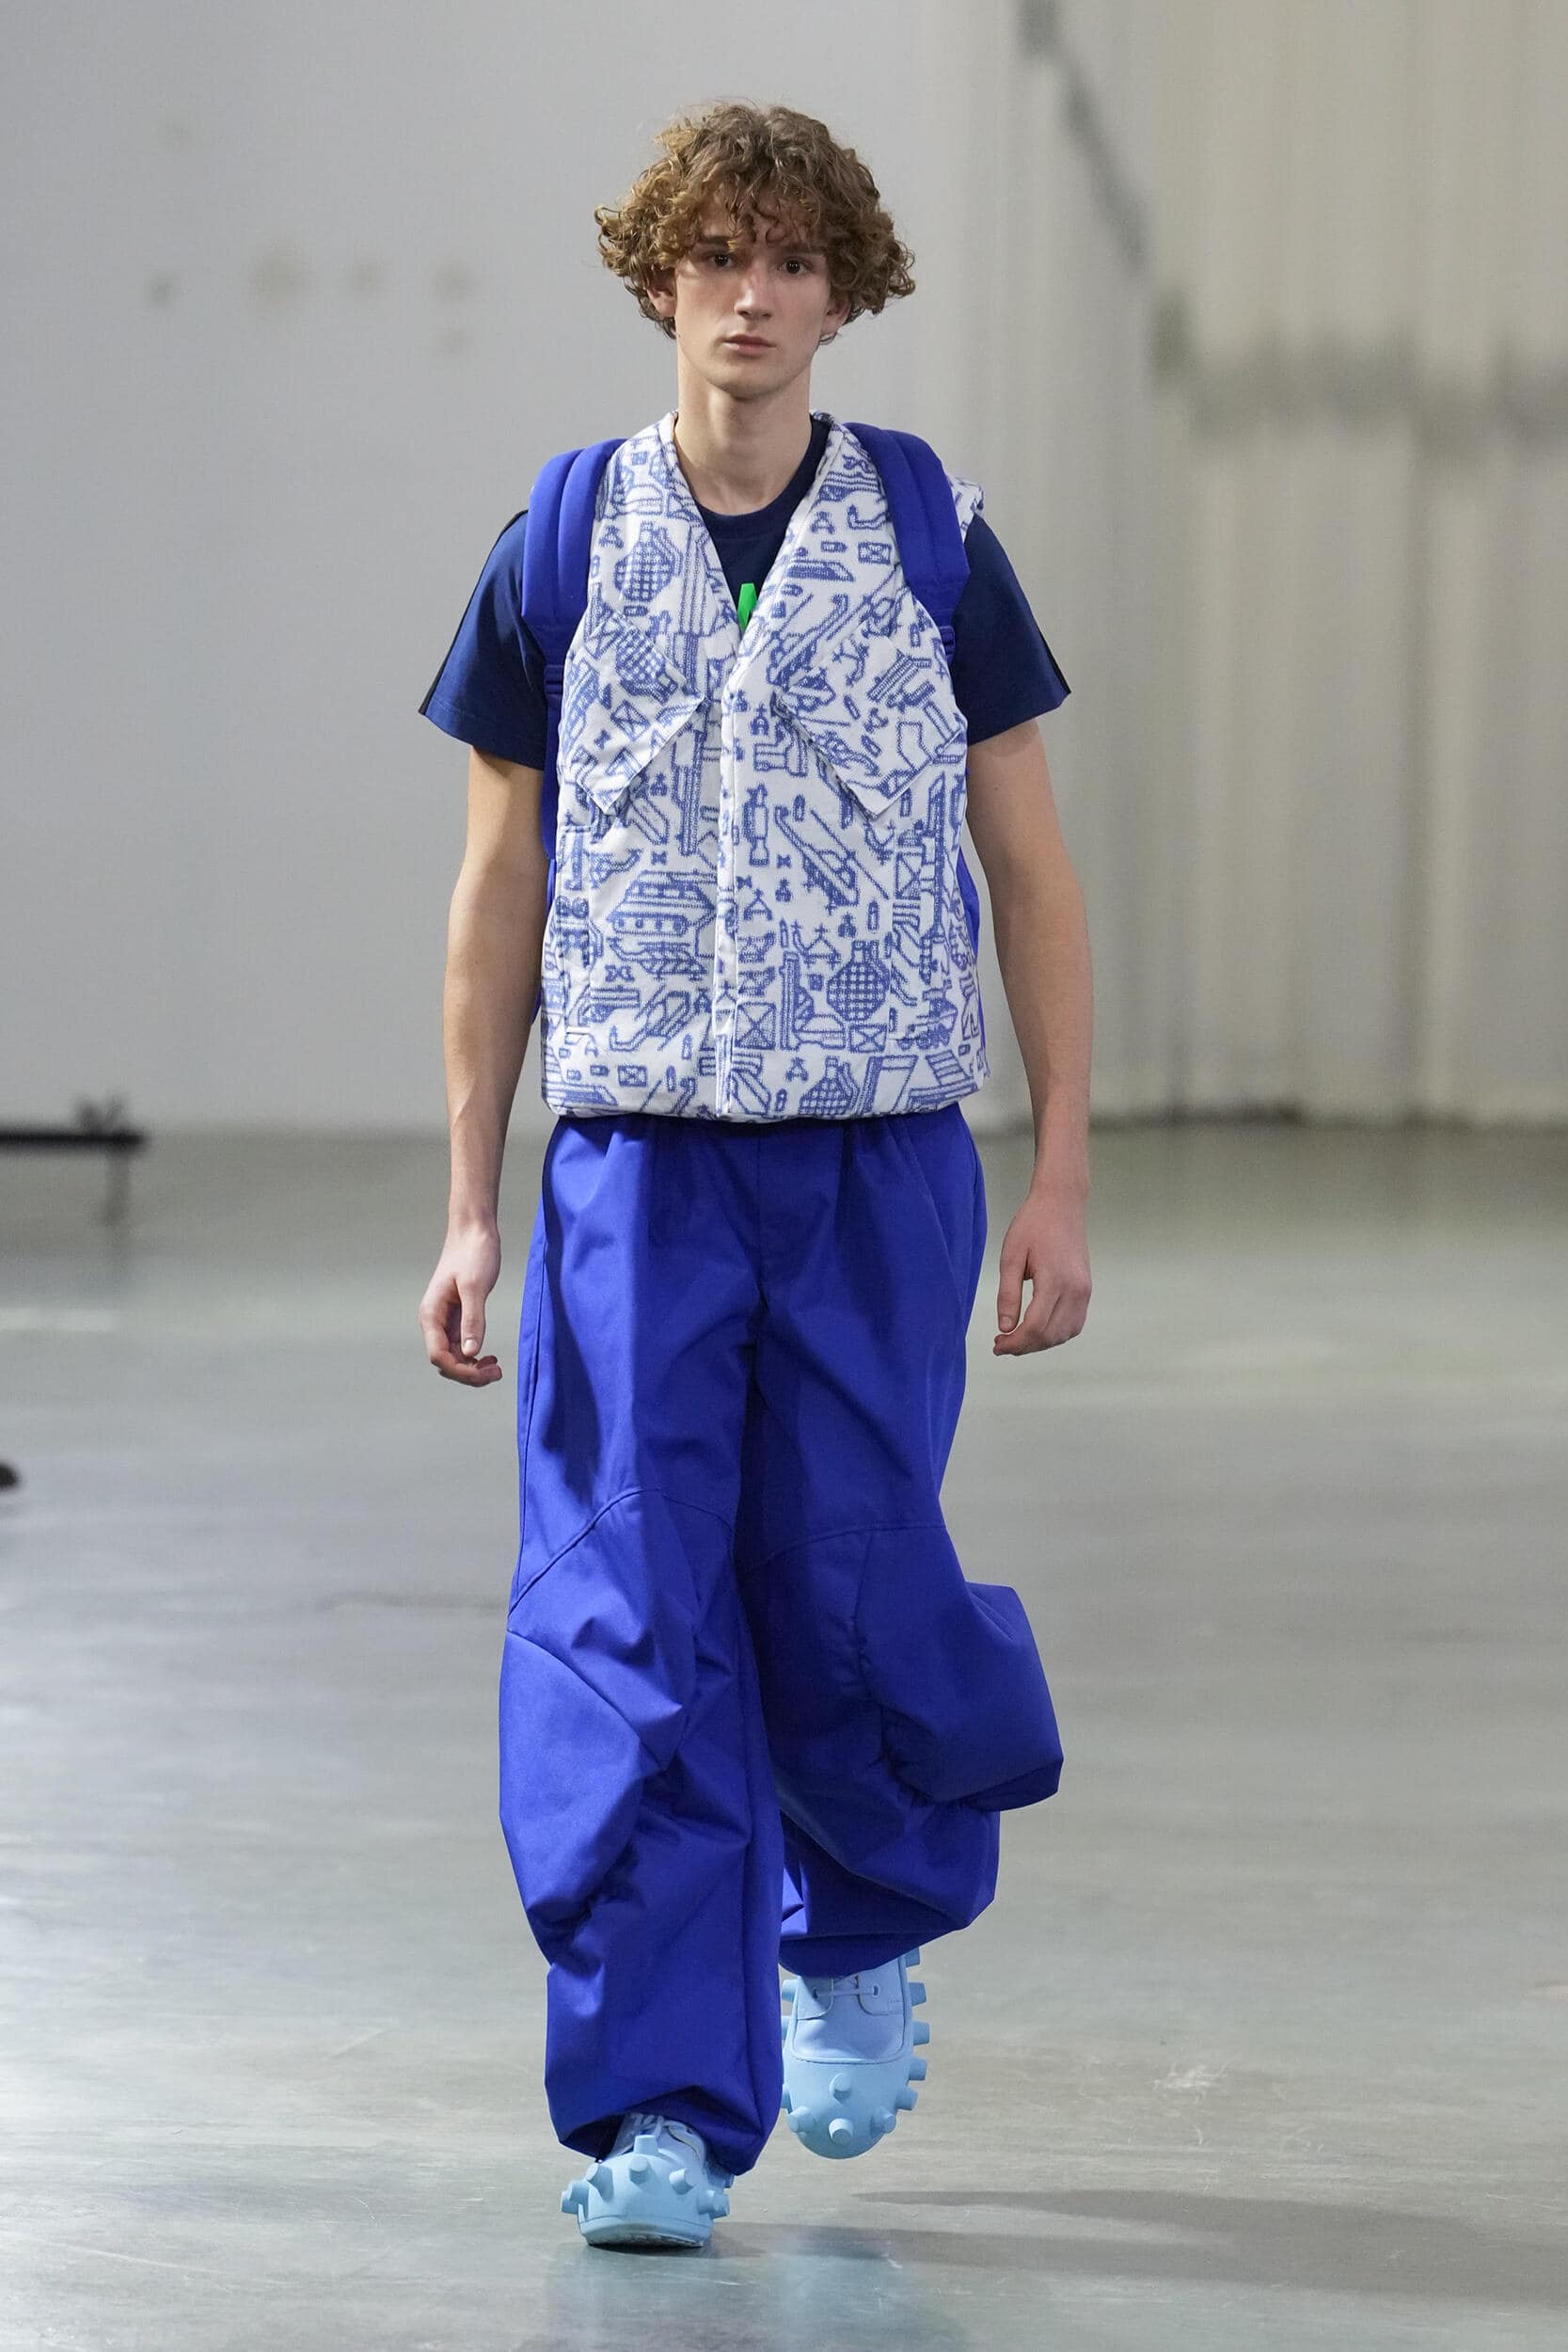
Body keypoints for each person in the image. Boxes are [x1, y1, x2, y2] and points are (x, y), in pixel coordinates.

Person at [417, 100, 1093, 2253]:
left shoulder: (932, 536)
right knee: (626, 1620)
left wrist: (1063, 1168)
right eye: (719, 254)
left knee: (848, 1585)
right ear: (661, 278)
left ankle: (861, 1917)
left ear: (844, 291)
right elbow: (497, 892)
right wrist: (471, 1200)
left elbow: (1032, 867)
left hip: (876, 1164)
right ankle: (661, 2105)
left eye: (796, 259)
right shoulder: (556, 544)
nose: (755, 295)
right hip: (634, 1169)